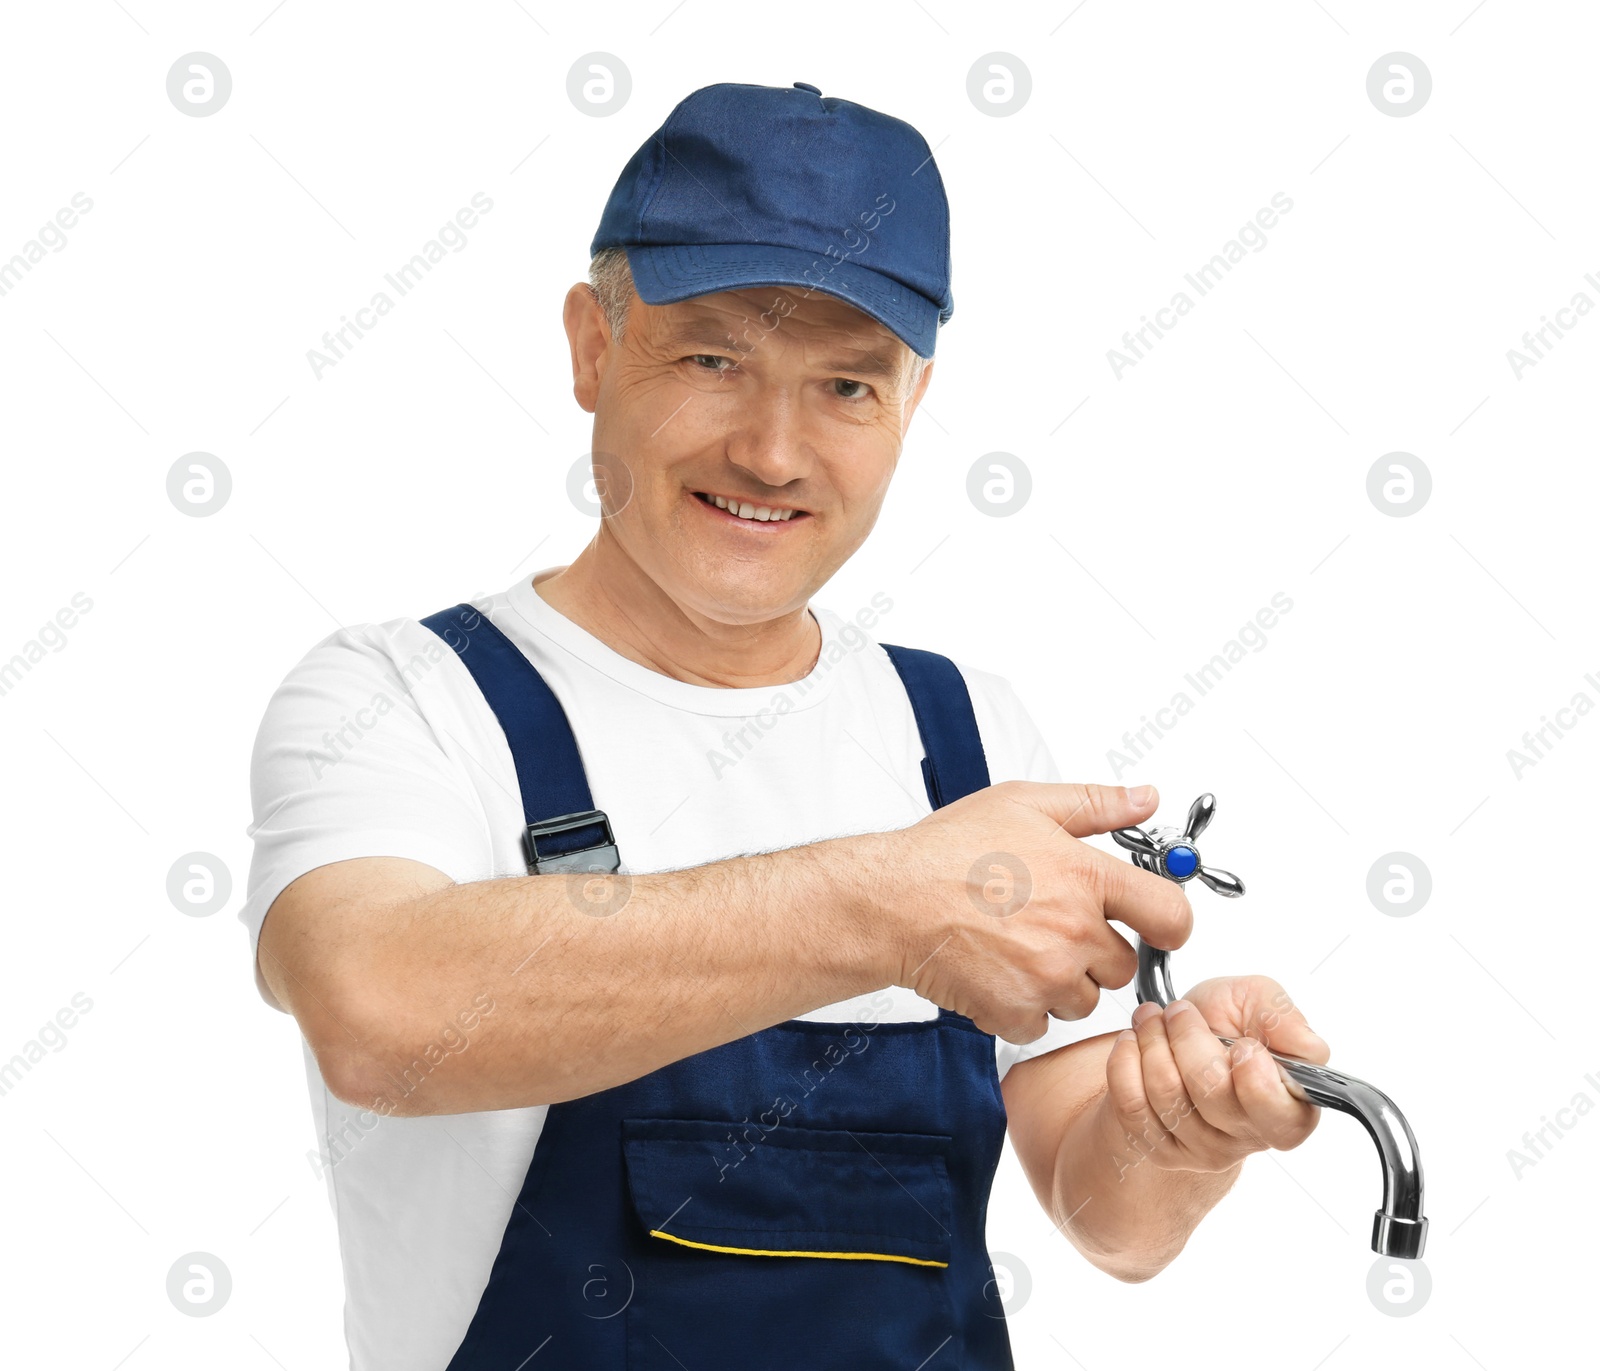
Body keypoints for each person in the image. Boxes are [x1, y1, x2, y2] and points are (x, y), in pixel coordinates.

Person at [243, 80, 1331, 1371]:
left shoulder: (963, 737)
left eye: (845, 388)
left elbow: (1105, 1222)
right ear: (594, 346)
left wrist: (1167, 1137)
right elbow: (374, 1008)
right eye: (713, 359)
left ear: (914, 403)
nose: (771, 450)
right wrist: (889, 909)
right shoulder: (405, 698)